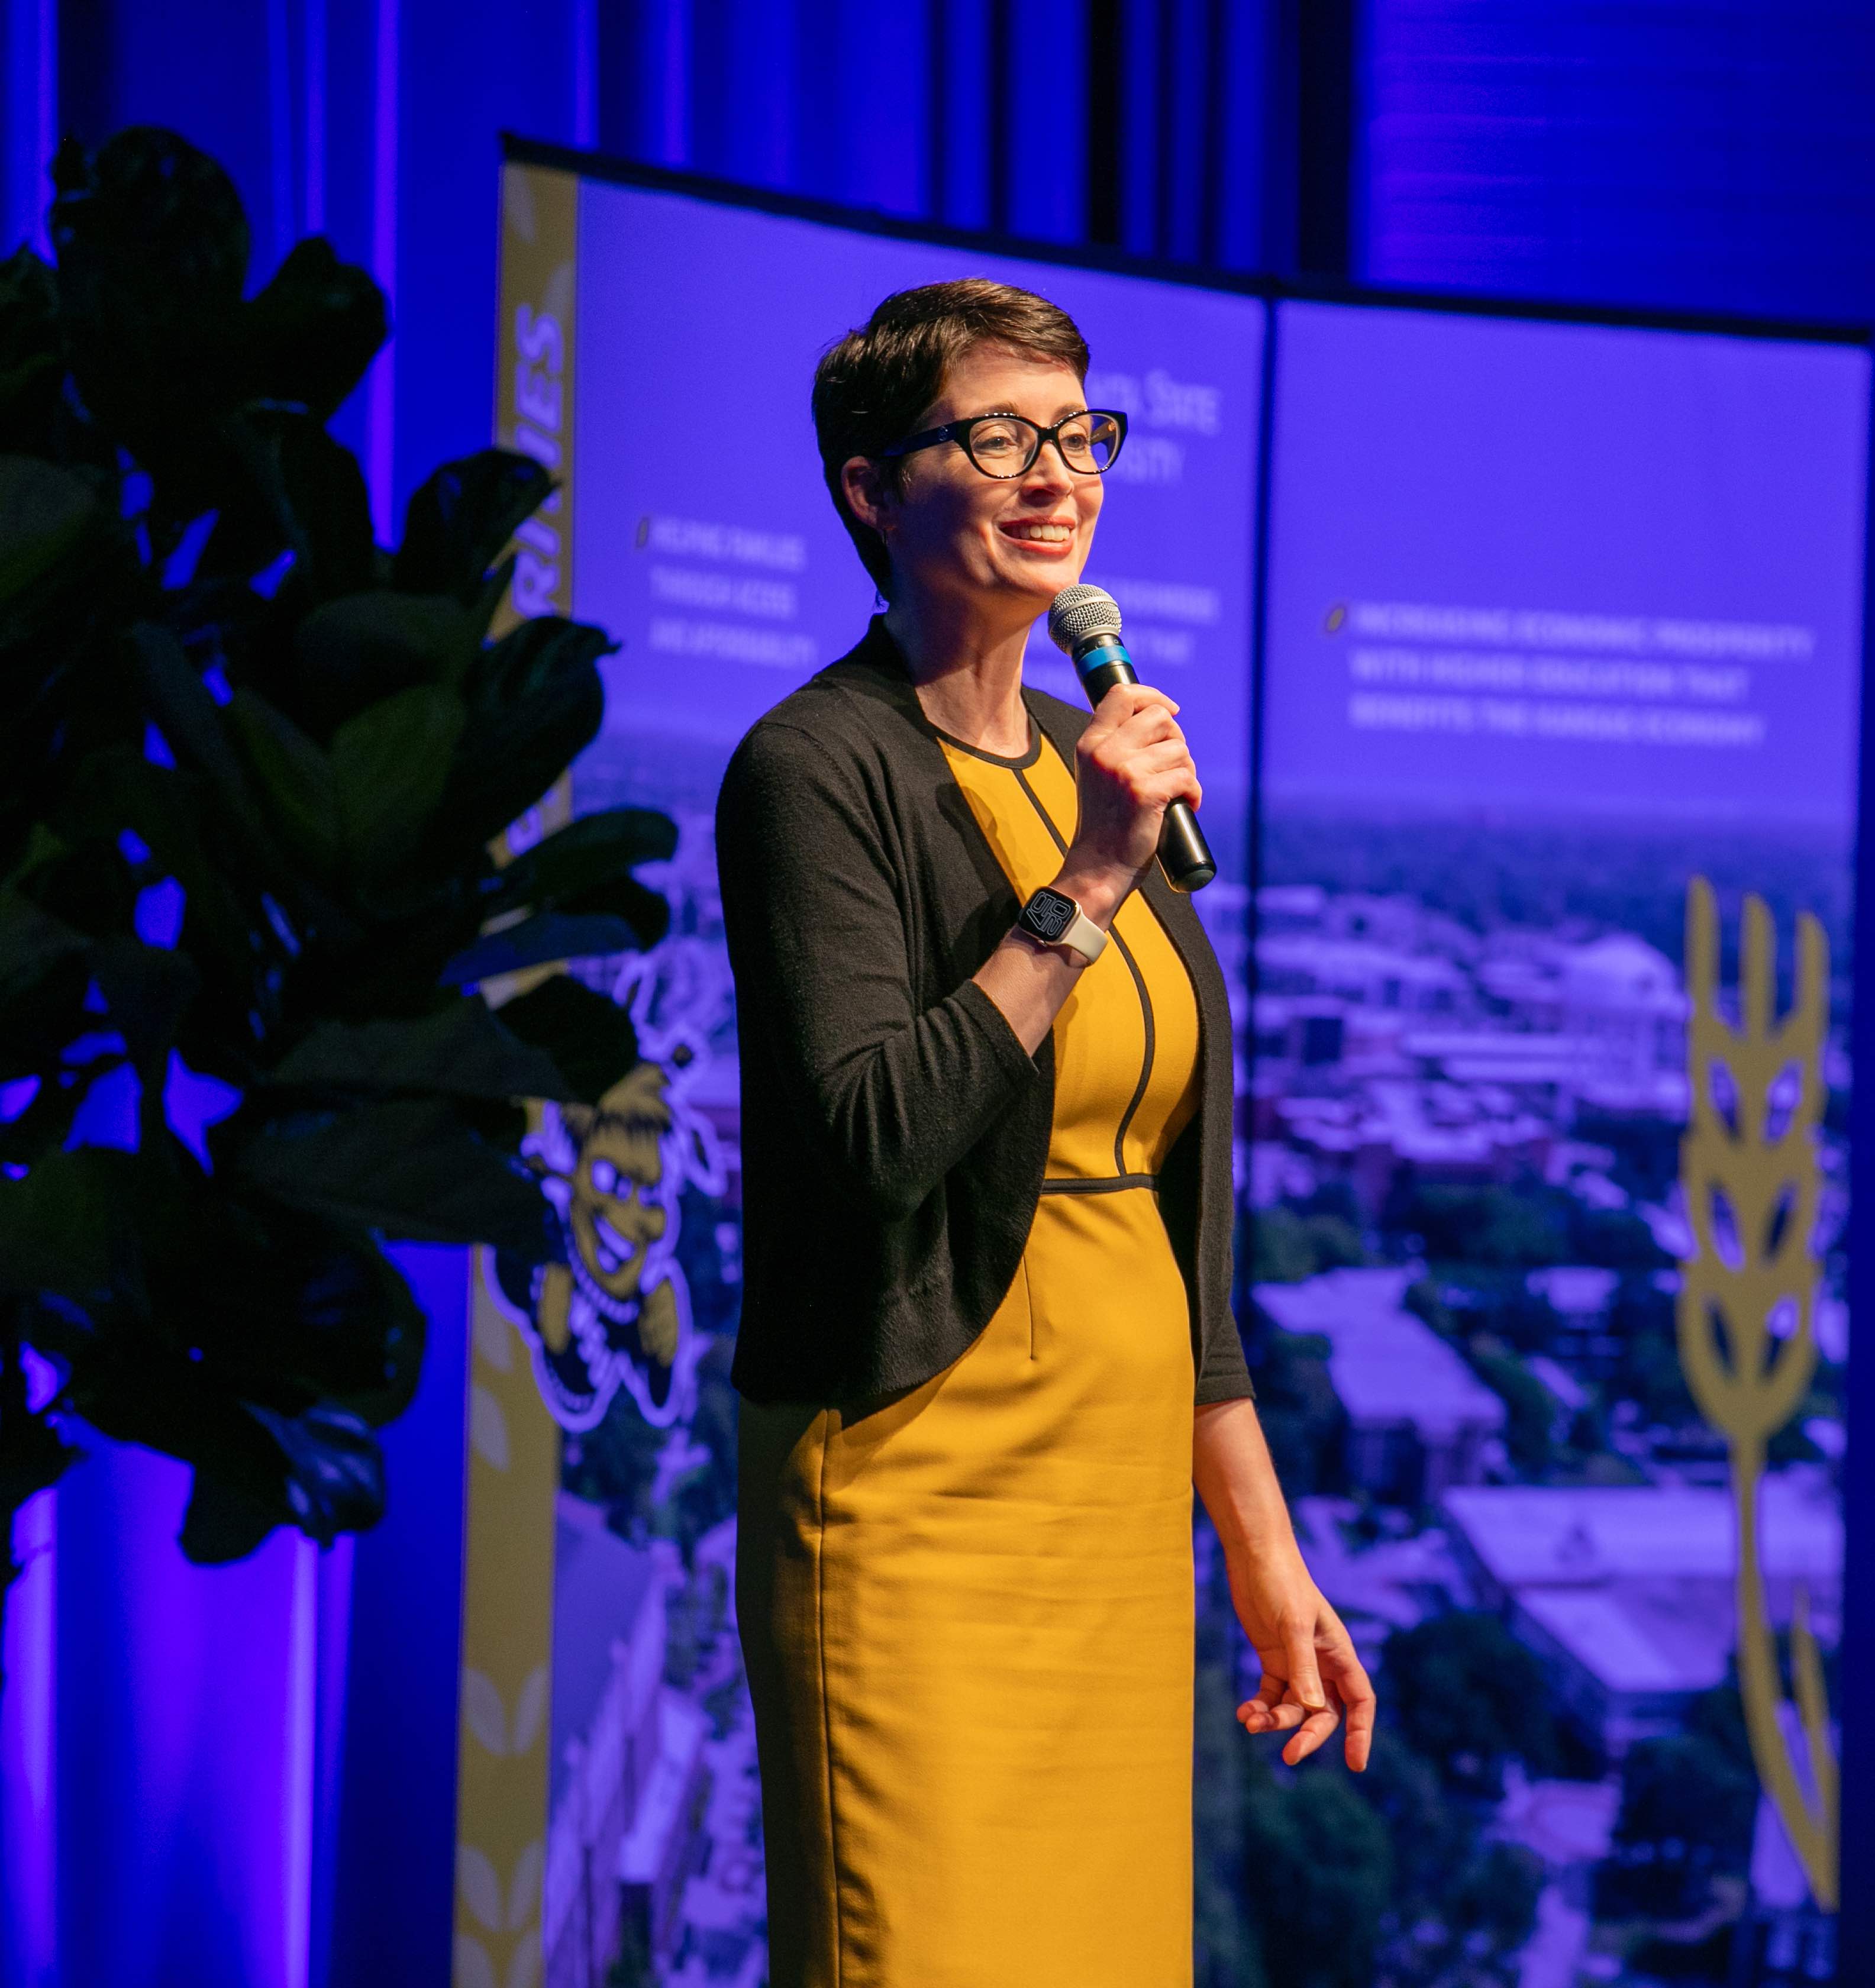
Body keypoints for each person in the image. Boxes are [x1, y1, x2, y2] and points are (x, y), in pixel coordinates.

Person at [717, 279, 1373, 1986]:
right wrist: (1088, 880)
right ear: (871, 488)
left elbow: (1172, 1205)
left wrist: (1261, 1541)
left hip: (1108, 1509)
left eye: (1078, 434)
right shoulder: (816, 768)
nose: (1052, 470)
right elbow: (872, 1136)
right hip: (916, 1486)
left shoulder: (1096, 756)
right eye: (995, 435)